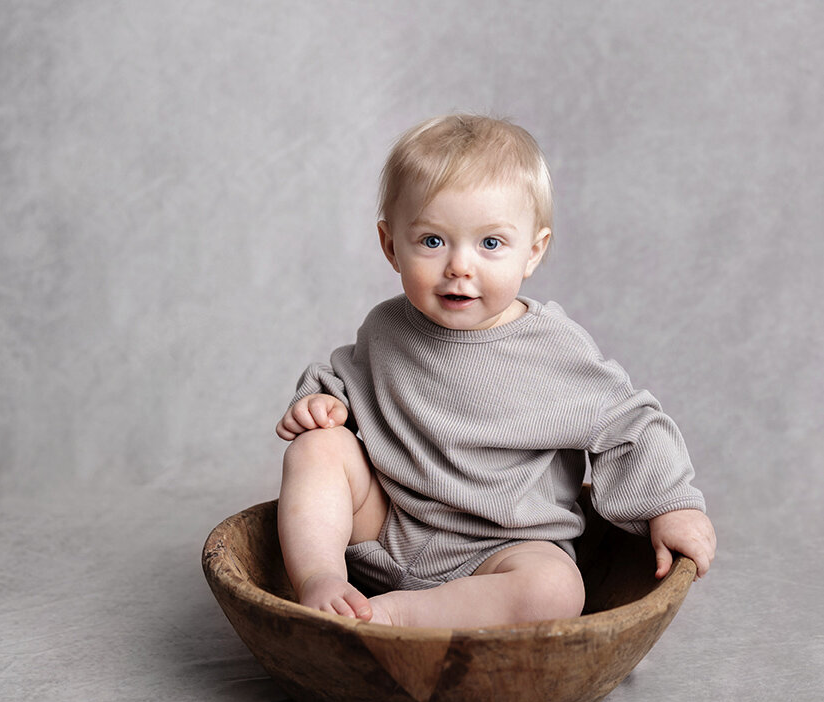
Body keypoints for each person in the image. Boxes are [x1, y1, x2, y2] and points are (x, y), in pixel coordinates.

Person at [275, 114, 716, 629]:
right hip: (392, 525)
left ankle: (393, 618)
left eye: (490, 244)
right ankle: (322, 581)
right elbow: (346, 376)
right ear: (391, 245)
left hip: (503, 549)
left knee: (554, 589)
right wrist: (321, 403)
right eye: (433, 241)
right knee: (317, 448)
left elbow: (630, 425)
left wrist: (672, 505)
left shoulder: (554, 350)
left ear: (533, 251)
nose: (460, 266)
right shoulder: (388, 325)